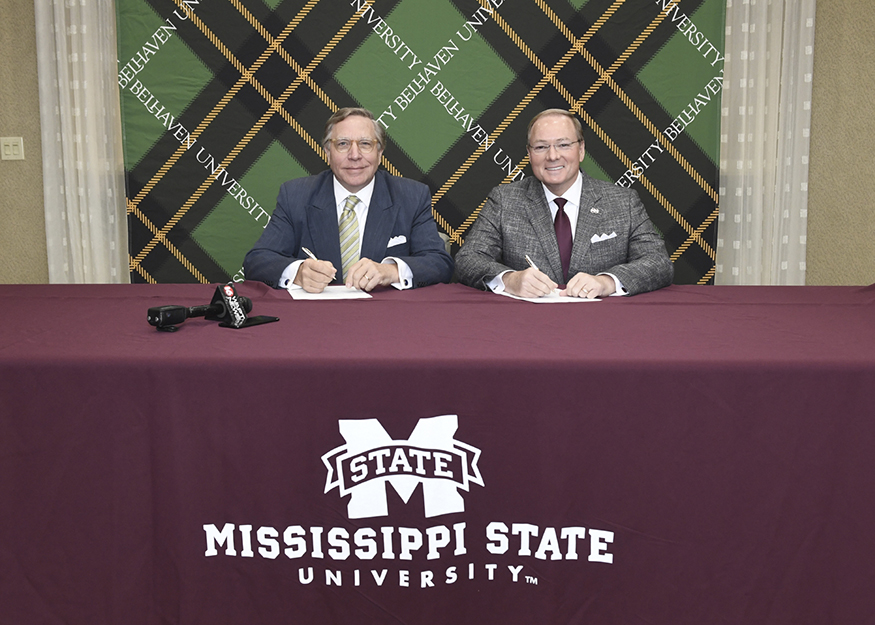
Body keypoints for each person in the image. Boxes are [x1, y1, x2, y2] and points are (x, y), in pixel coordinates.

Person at [455, 109, 673, 298]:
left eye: (563, 144)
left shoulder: (623, 201)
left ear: (581, 149)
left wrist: (607, 282)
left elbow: (658, 263)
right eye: (541, 147)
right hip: (525, 326)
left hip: (604, 325)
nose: (552, 156)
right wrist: (510, 280)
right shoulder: (504, 200)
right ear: (529, 154)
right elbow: (469, 259)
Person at [243, 107, 453, 292]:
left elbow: (439, 263)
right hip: (314, 320)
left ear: (380, 152)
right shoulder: (295, 195)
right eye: (343, 144)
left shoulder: (412, 196)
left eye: (365, 144)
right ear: (327, 151)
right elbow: (257, 261)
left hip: (388, 319)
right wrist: (298, 273)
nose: (354, 155)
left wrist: (390, 271)